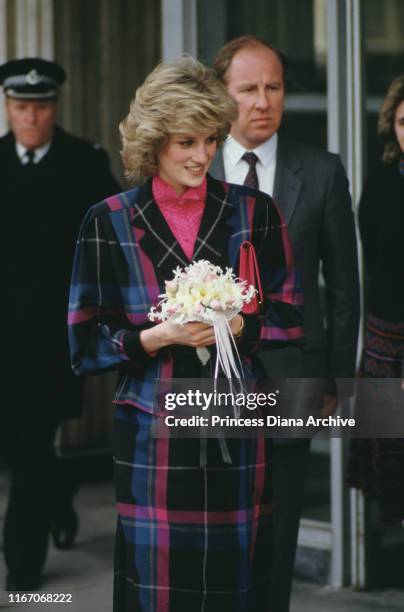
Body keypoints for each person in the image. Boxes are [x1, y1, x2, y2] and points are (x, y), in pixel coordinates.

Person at [68, 56, 304, 612]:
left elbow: (292, 315)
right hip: (153, 436)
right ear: (154, 143)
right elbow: (84, 344)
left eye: (210, 140)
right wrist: (157, 336)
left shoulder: (255, 212)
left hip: (238, 428)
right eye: (186, 142)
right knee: (157, 590)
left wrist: (243, 325)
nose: (202, 156)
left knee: (239, 586)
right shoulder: (109, 221)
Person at [210, 36, 360, 612]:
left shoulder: (320, 172)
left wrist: (337, 382)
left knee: (278, 527)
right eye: (247, 89)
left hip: (294, 372)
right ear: (223, 96)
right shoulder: (194, 164)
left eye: (273, 87)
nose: (262, 101)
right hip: (208, 374)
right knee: (214, 522)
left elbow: (344, 287)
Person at [0, 57, 120, 591]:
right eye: (21, 106)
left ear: (54, 107)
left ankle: (21, 566)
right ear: (8, 107)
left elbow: (114, 240)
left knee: (29, 448)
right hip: (2, 339)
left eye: (40, 106)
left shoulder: (82, 163)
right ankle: (62, 484)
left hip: (53, 339)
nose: (30, 117)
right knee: (17, 445)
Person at [348, 75, 404, 523]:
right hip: (388, 347)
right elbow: (379, 270)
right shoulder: (381, 185)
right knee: (396, 485)